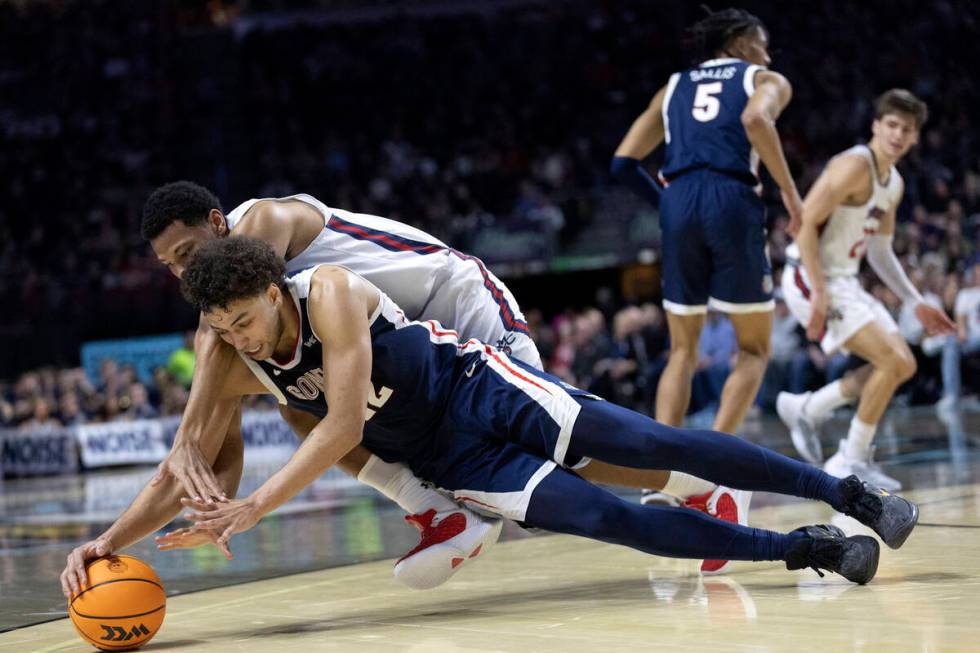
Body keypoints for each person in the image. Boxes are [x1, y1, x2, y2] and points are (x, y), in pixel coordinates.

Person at [58, 237, 919, 598]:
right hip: (448, 454)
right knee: (606, 518)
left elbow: (346, 415)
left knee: (652, 443)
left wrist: (257, 505)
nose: (239, 335)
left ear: (274, 290)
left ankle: (849, 492)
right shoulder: (229, 354)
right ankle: (808, 549)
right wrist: (106, 543)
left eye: (245, 317)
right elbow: (188, 466)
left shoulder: (331, 294)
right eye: (224, 327)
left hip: (483, 386)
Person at [139, 181, 724, 585]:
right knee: (301, 404)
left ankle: (696, 481)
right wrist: (110, 543)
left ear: (218, 224)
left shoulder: (261, 225)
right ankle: (440, 512)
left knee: (552, 451)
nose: (184, 272)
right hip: (417, 337)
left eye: (189, 252)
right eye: (171, 265)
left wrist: (187, 435)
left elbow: (212, 344)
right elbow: (221, 452)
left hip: (461, 301)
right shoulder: (234, 321)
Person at [611, 7, 802, 543]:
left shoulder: (671, 88)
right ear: (741, 43)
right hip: (730, 196)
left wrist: (670, 204)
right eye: (762, 43)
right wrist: (789, 191)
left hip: (678, 202)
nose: (769, 54)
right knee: (755, 350)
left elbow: (622, 163)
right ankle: (716, 467)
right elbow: (755, 121)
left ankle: (662, 480)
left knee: (681, 352)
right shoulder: (764, 79)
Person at [776, 89, 955, 490]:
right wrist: (819, 292)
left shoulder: (893, 183)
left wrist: (915, 300)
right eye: (891, 124)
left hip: (844, 280)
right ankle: (848, 459)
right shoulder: (854, 166)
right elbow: (803, 223)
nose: (897, 133)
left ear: (914, 138)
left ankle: (809, 407)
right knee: (891, 362)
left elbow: (879, 250)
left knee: (903, 364)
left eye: (906, 129)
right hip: (810, 275)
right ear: (876, 126)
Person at [939, 258, 980, 411]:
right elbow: (960, 317)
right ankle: (951, 394)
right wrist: (962, 331)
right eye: (977, 272)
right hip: (974, 338)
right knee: (951, 341)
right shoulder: (966, 294)